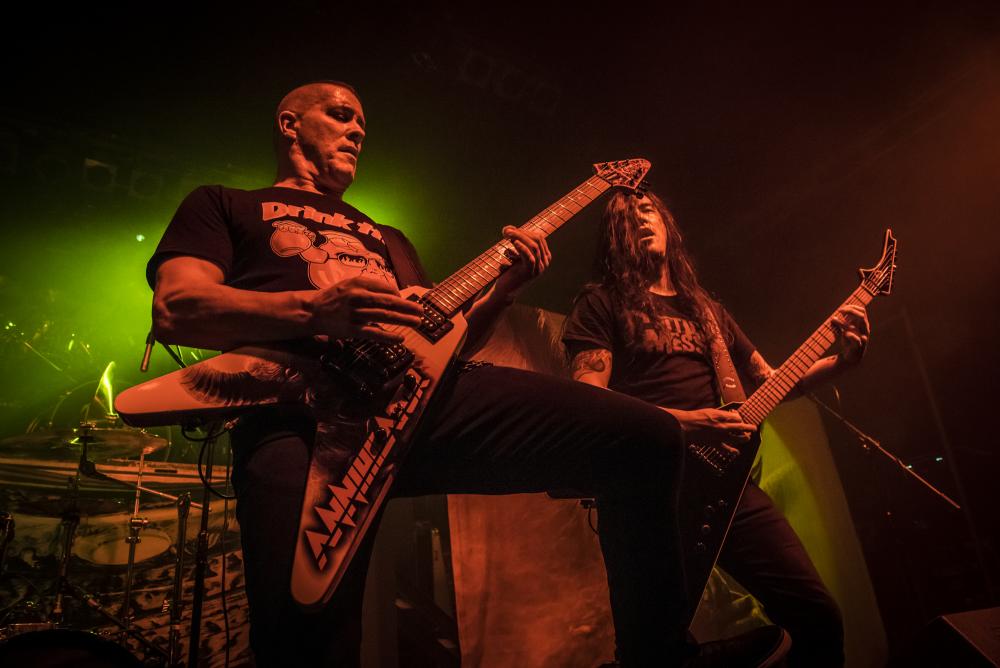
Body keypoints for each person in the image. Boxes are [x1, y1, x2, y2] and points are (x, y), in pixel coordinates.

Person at [146, 80, 790, 667]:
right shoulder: (225, 204)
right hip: (296, 412)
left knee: (645, 436)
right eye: (341, 115)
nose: (357, 130)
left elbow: (439, 344)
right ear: (290, 123)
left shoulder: (387, 237)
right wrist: (313, 309)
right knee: (306, 636)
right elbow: (178, 308)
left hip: (415, 404)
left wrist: (504, 290)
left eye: (363, 123)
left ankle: (659, 657)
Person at [563, 190, 870, 668]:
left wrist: (842, 362)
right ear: (613, 237)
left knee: (819, 617)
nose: (640, 219)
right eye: (626, 216)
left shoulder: (706, 310)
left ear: (667, 224)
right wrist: (687, 423)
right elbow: (589, 403)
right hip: (649, 494)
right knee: (651, 654)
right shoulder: (600, 302)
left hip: (730, 487)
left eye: (647, 210)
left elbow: (770, 383)